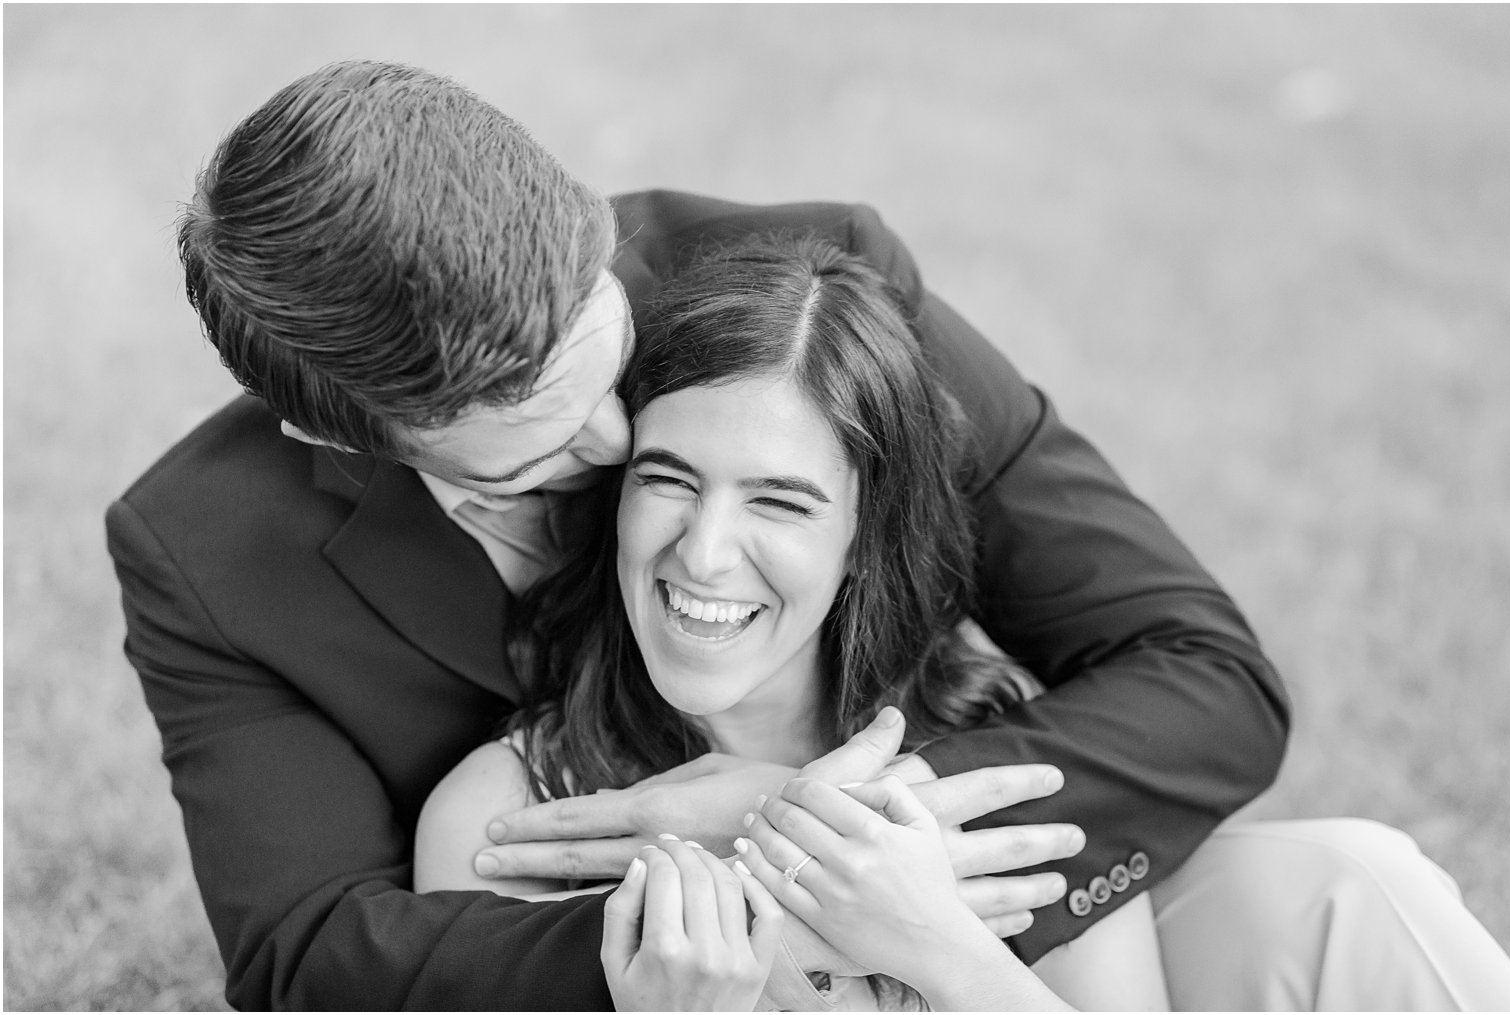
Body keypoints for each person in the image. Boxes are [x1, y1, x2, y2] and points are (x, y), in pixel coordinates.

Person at [106, 59, 1510, 1011]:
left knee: (1354, 885)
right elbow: (312, 954)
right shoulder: (210, 549)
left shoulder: (804, 293)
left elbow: (1202, 673)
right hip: (616, 959)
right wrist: (716, 915)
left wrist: (818, 830)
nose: (614, 447)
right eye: (543, 439)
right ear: (348, 437)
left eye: (613, 365)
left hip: (955, 882)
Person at [415, 234, 1170, 1011]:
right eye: (668, 479)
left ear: (866, 535)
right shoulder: (503, 822)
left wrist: (935, 942)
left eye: (777, 501)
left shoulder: (999, 761)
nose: (704, 555)